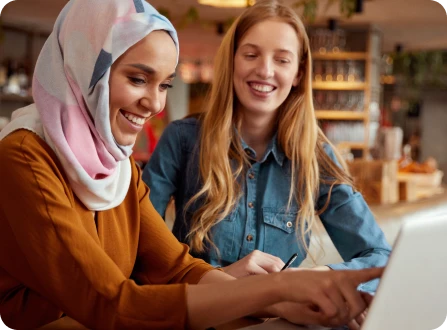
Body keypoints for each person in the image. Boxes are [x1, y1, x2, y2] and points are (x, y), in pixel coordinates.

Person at [0, 0, 383, 329]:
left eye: (165, 85)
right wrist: (279, 289)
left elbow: (177, 269)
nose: (156, 104)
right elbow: (111, 303)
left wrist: (293, 300)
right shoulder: (25, 158)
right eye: (138, 79)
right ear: (85, 67)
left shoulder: (118, 167)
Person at [143, 0, 391, 289]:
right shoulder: (182, 140)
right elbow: (144, 250)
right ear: (232, 60)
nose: (265, 70)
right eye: (251, 55)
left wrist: (312, 278)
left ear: (298, 74)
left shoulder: (315, 157)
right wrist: (218, 280)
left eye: (282, 60)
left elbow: (381, 258)